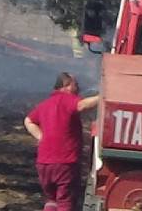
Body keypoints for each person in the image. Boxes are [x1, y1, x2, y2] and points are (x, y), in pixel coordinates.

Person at [24, 72, 100, 211]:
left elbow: (28, 121)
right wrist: (103, 97)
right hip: (65, 163)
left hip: (44, 163)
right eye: (75, 84)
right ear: (66, 86)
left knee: (51, 200)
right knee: (65, 201)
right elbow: (82, 105)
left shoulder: (44, 104)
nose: (79, 88)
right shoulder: (68, 100)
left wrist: (41, 137)